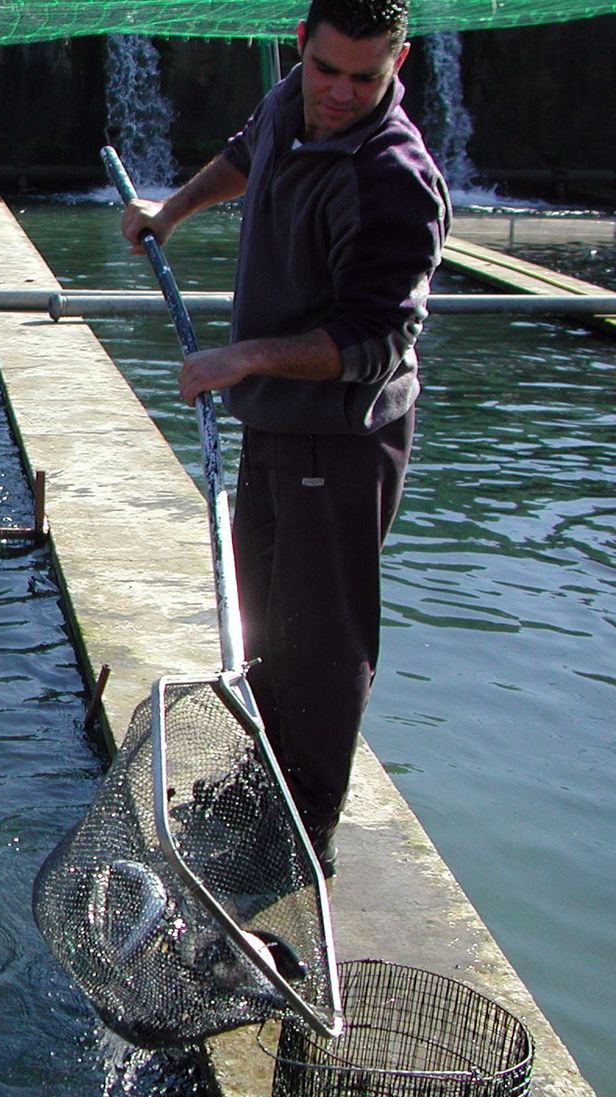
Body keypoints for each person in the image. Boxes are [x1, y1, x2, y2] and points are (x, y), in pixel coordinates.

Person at [119, 0, 451, 876]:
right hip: (271, 423)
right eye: (327, 70)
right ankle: (262, 780)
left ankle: (304, 839)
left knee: (322, 640)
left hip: (339, 442)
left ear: (399, 60)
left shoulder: (393, 182)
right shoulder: (287, 102)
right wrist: (172, 211)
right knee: (264, 611)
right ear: (301, 46)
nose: (339, 94)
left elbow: (372, 343)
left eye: (365, 77)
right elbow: (245, 153)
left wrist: (243, 359)